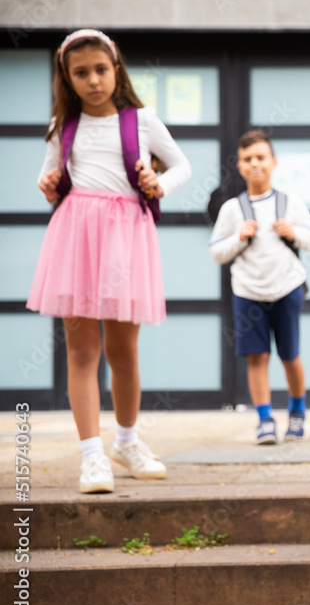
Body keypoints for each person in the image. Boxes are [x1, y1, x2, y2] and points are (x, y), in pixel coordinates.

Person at [28, 29, 192, 494]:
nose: (93, 80)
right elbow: (49, 177)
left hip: (126, 238)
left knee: (123, 351)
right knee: (81, 351)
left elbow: (181, 165)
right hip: (76, 237)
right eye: (81, 73)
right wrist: (49, 182)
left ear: (115, 69)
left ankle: (126, 441)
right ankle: (92, 456)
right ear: (68, 78)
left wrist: (159, 184)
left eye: (101, 69)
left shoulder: (141, 120)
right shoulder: (63, 126)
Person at [209, 130, 310, 444]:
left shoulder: (290, 202)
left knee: (290, 355)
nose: (254, 164)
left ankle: (297, 412)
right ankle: (264, 419)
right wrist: (238, 237)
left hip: (287, 288)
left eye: (260, 157)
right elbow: (216, 252)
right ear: (240, 166)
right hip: (247, 291)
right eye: (247, 159)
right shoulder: (232, 209)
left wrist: (293, 232)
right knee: (257, 357)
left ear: (273, 162)